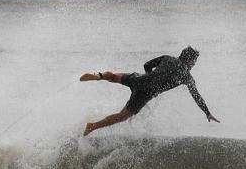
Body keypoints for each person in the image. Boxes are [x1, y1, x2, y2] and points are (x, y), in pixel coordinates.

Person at [79, 46, 220, 136]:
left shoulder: (167, 58)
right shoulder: (186, 76)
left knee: (115, 77)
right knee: (122, 116)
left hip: (139, 79)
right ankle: (93, 126)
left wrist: (148, 77)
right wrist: (207, 112)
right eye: (193, 63)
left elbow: (146, 65)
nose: (193, 65)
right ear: (189, 61)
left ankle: (99, 76)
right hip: (145, 93)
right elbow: (197, 96)